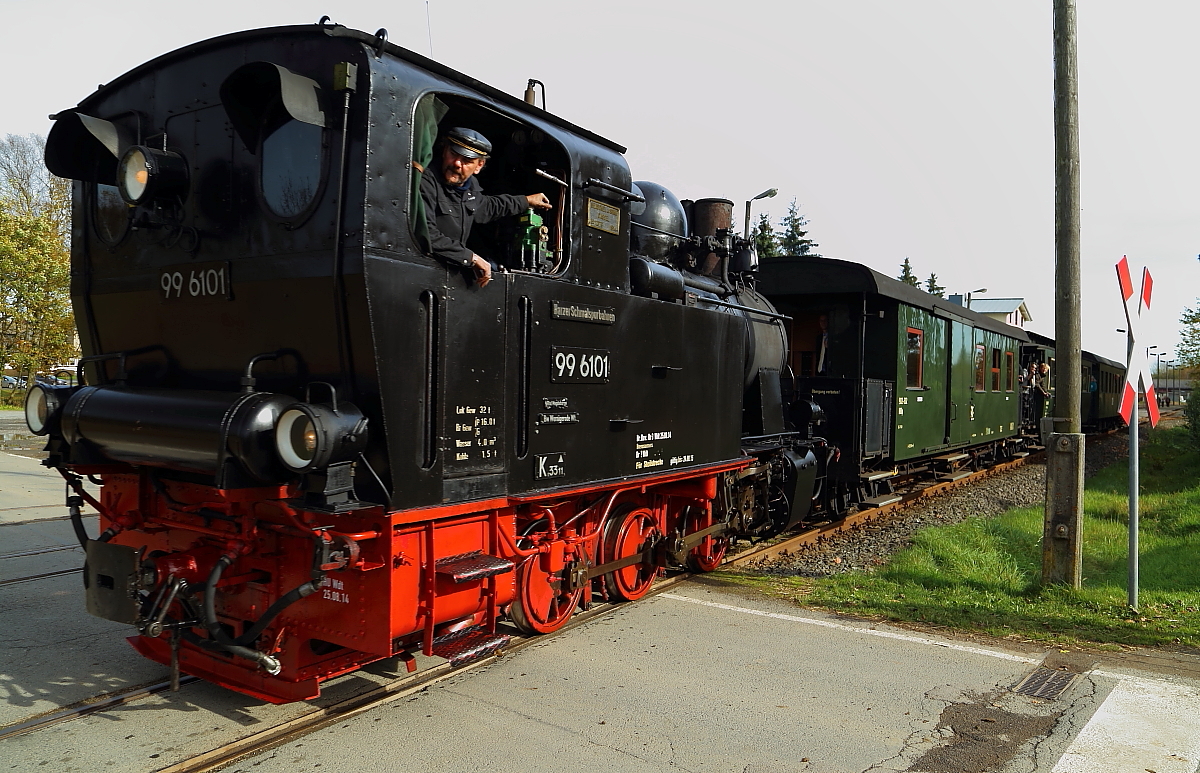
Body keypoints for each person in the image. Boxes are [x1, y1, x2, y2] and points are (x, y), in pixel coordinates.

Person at [419, 127, 552, 287]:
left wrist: (526, 201)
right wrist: (471, 258)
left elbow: (488, 206)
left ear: (479, 166)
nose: (456, 164)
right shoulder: (427, 180)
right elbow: (427, 234)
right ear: (444, 150)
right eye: (453, 154)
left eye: (467, 161)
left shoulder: (470, 189)